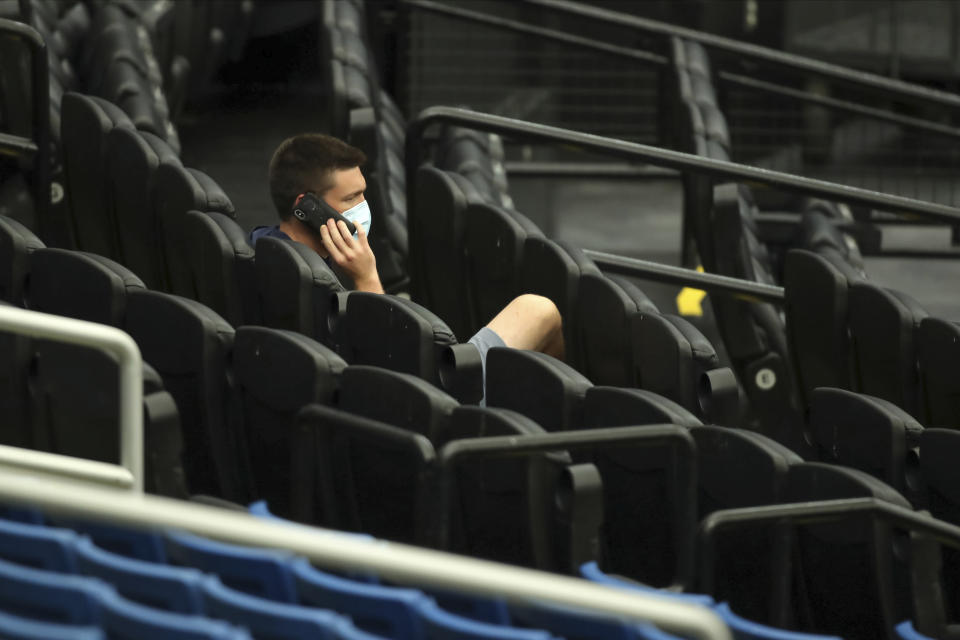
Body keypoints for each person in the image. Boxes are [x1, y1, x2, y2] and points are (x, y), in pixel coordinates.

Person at [250, 133, 565, 371]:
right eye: (351, 198)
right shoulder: (309, 284)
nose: (363, 208)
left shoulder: (264, 245)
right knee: (539, 310)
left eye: (364, 194)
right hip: (433, 396)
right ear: (306, 208)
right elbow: (393, 366)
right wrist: (368, 277)